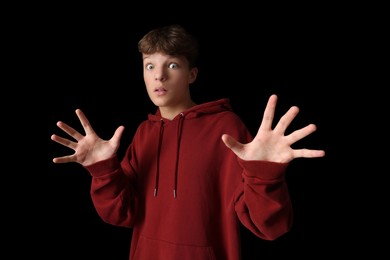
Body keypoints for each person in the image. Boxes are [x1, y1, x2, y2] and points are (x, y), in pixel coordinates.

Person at [51, 24, 325, 260]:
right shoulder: (144, 132)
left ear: (191, 74)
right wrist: (103, 171)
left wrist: (266, 175)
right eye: (150, 65)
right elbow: (122, 215)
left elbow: (270, 227)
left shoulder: (226, 128)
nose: (159, 76)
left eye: (172, 64)